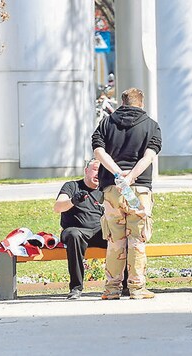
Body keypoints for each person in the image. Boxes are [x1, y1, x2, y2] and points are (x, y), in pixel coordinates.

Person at [92, 87, 162, 300]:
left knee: (114, 239)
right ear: (141, 103)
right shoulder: (151, 126)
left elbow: (98, 151)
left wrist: (117, 173)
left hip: (113, 189)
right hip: (139, 189)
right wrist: (131, 177)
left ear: (122, 103)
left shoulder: (106, 123)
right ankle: (137, 288)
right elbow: (149, 156)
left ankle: (112, 289)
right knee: (138, 239)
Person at [53, 158, 127, 300]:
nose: (98, 174)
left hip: (100, 232)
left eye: (101, 171)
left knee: (122, 237)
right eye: (95, 169)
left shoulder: (107, 189)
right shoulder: (72, 186)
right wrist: (73, 201)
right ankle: (76, 288)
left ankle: (126, 286)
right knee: (73, 235)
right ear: (86, 171)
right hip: (77, 231)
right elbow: (58, 207)